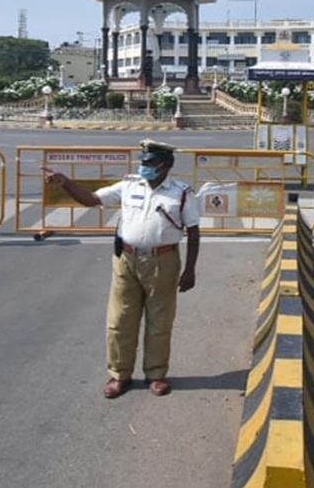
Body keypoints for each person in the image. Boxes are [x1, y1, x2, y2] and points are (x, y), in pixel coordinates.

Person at [43, 139, 200, 399]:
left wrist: (190, 270)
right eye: (143, 162)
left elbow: (193, 231)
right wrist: (66, 183)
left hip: (163, 261)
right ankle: (119, 375)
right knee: (119, 320)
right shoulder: (128, 186)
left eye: (150, 163)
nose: (144, 167)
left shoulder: (181, 192)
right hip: (126, 259)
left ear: (166, 165)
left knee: (159, 320)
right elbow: (92, 200)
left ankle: (156, 374)